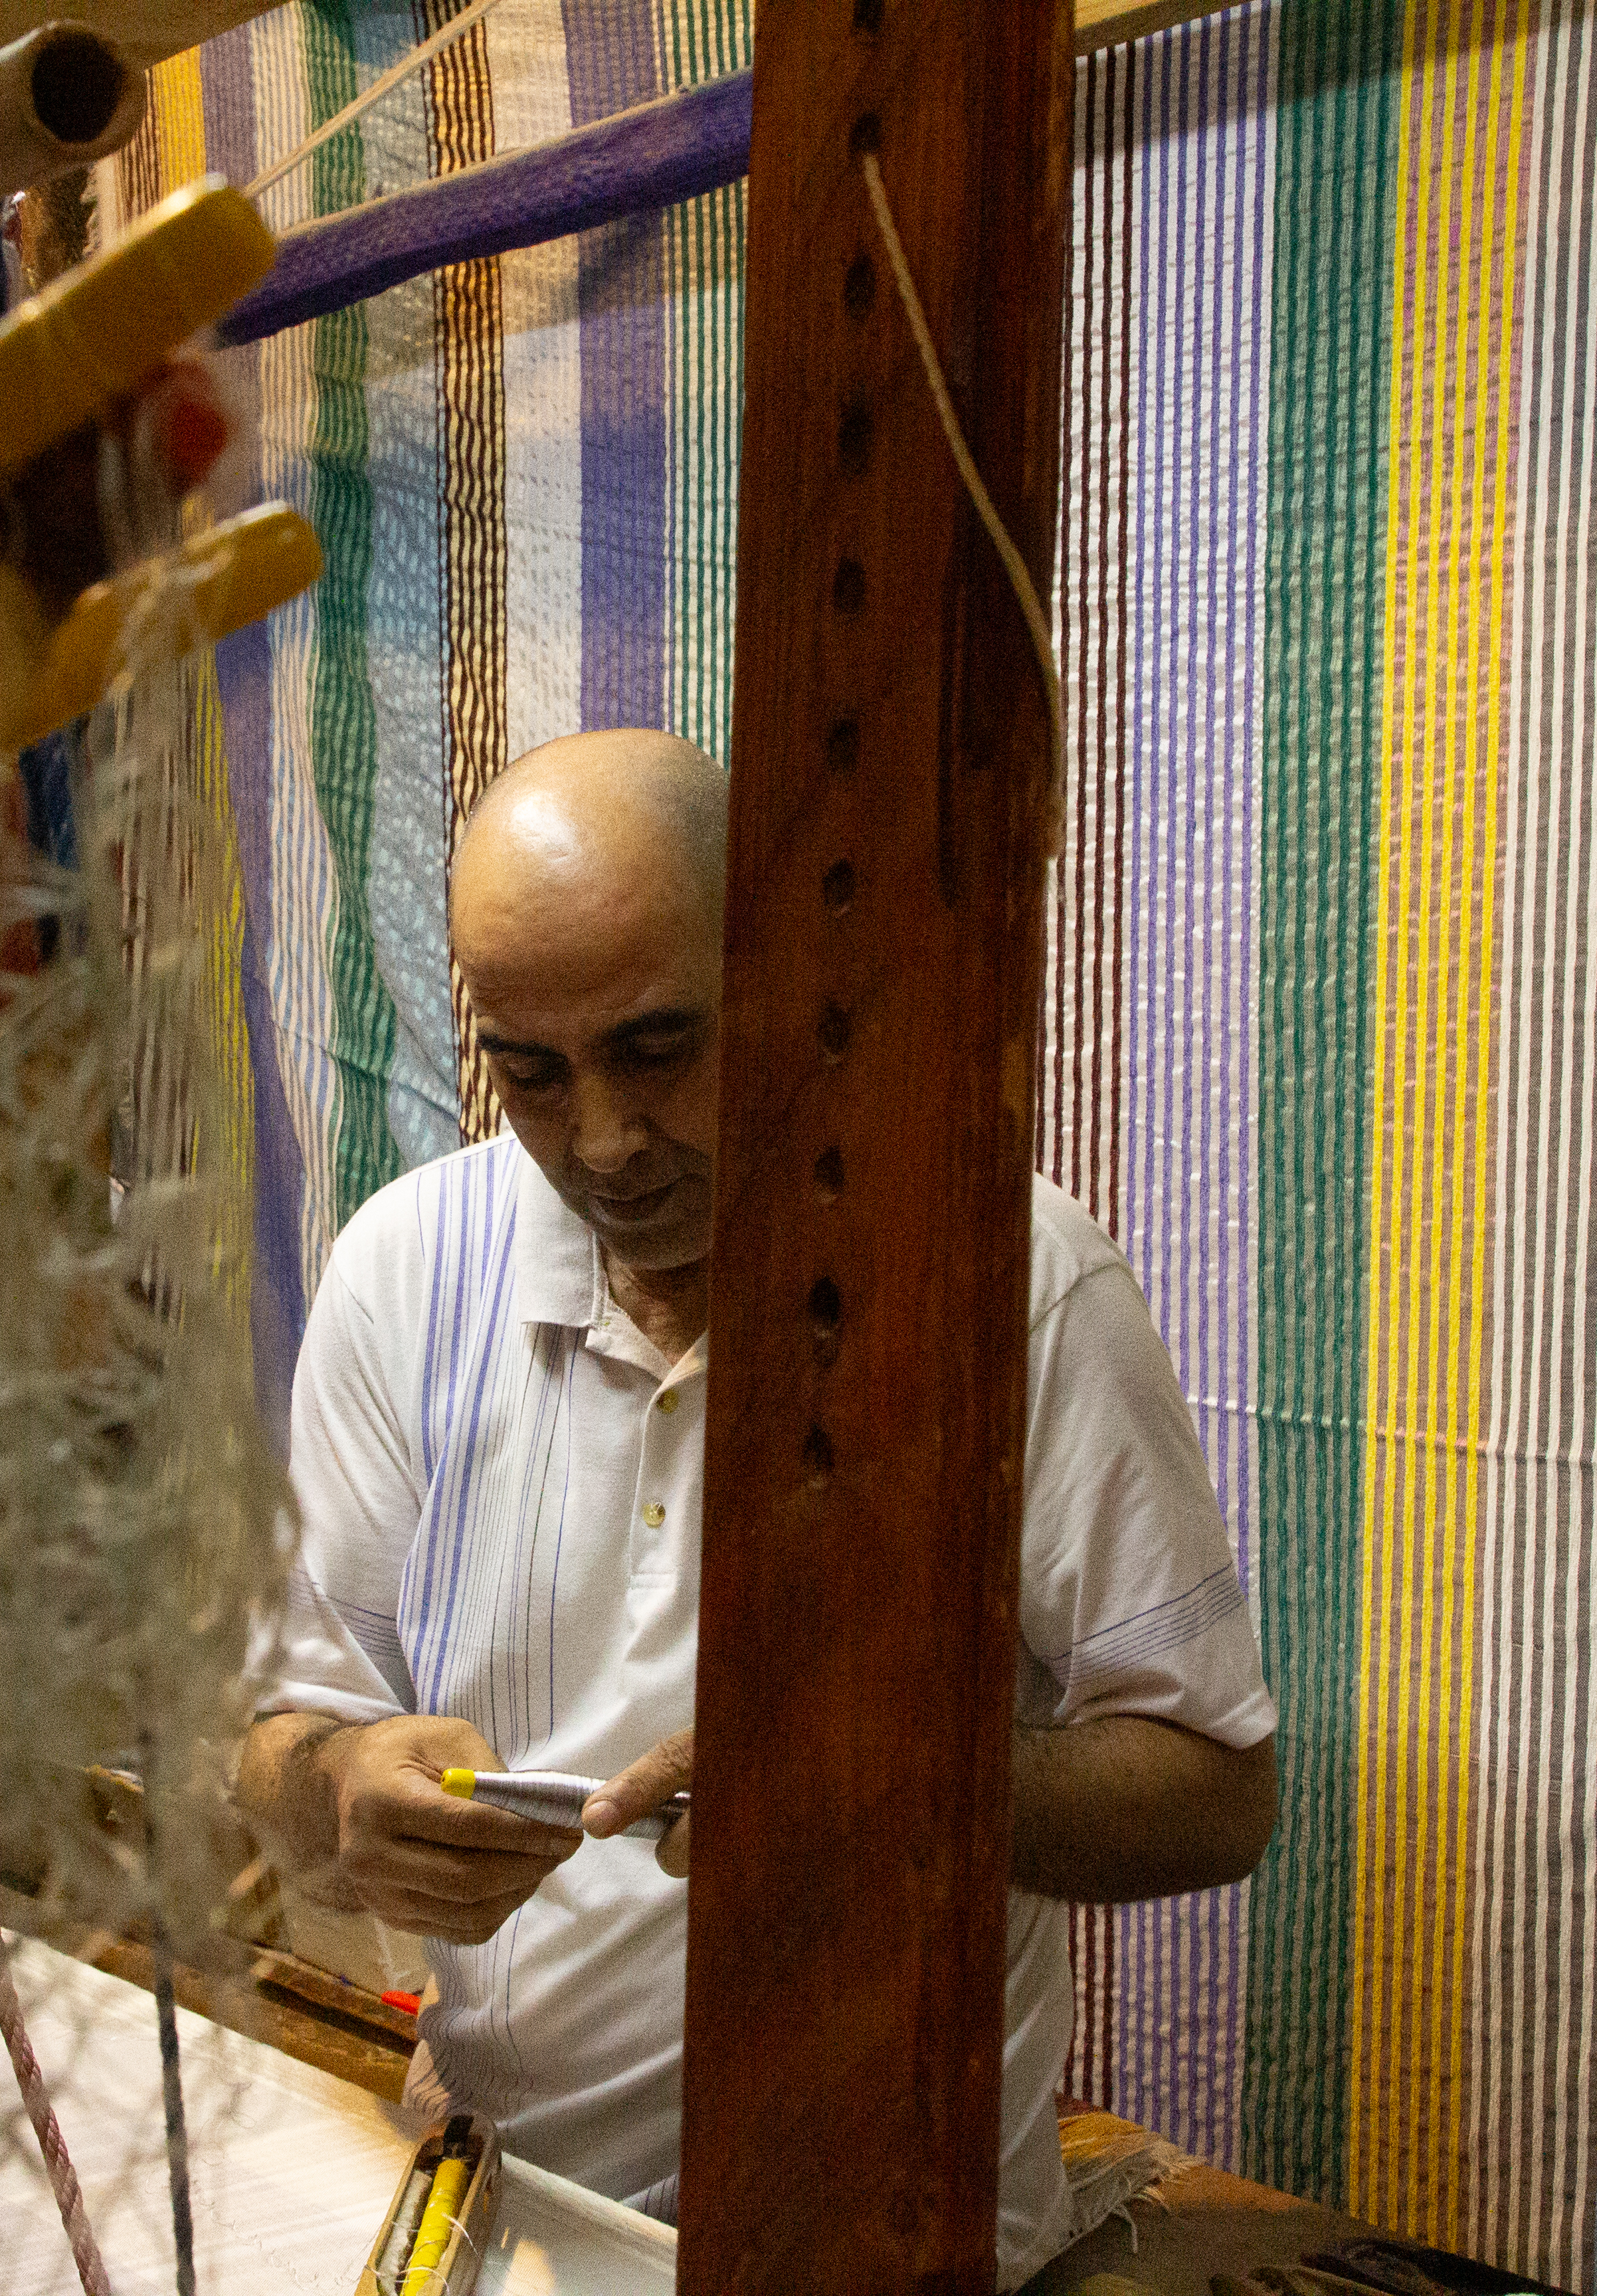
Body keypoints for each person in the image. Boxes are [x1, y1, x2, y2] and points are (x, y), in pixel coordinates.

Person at [233, 727, 1276, 2289]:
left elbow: (1212, 1789)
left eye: (660, 1048)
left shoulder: (1009, 1287)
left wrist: (870, 1789)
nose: (604, 1142)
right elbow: (276, 1748)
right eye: (530, 1071)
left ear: (792, 977)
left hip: (885, 2230)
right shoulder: (408, 1274)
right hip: (505, 2199)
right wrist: (343, 1795)